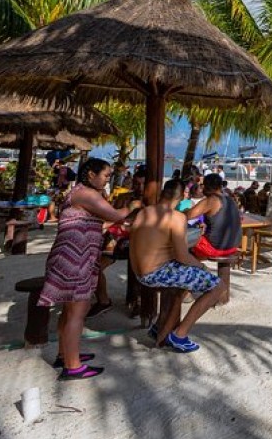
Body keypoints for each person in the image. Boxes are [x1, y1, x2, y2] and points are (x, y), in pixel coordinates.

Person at [38, 158, 132, 380]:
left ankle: (65, 355)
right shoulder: (86, 194)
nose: (108, 179)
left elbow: (98, 222)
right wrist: (134, 206)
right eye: (106, 175)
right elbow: (115, 215)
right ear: (90, 174)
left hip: (72, 257)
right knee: (77, 313)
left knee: (70, 311)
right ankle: (72, 366)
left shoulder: (78, 193)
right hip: (75, 259)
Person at [130, 179, 226, 352]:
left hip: (139, 272)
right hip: (155, 273)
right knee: (218, 286)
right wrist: (202, 267)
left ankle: (160, 327)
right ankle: (179, 335)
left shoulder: (144, 212)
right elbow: (182, 256)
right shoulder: (177, 217)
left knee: (182, 284)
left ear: (163, 193)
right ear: (182, 197)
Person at [186, 174, 242, 258]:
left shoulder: (211, 200)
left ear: (206, 186)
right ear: (220, 186)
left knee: (183, 241)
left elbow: (188, 216)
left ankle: (193, 268)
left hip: (215, 248)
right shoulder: (230, 199)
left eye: (202, 186)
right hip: (234, 246)